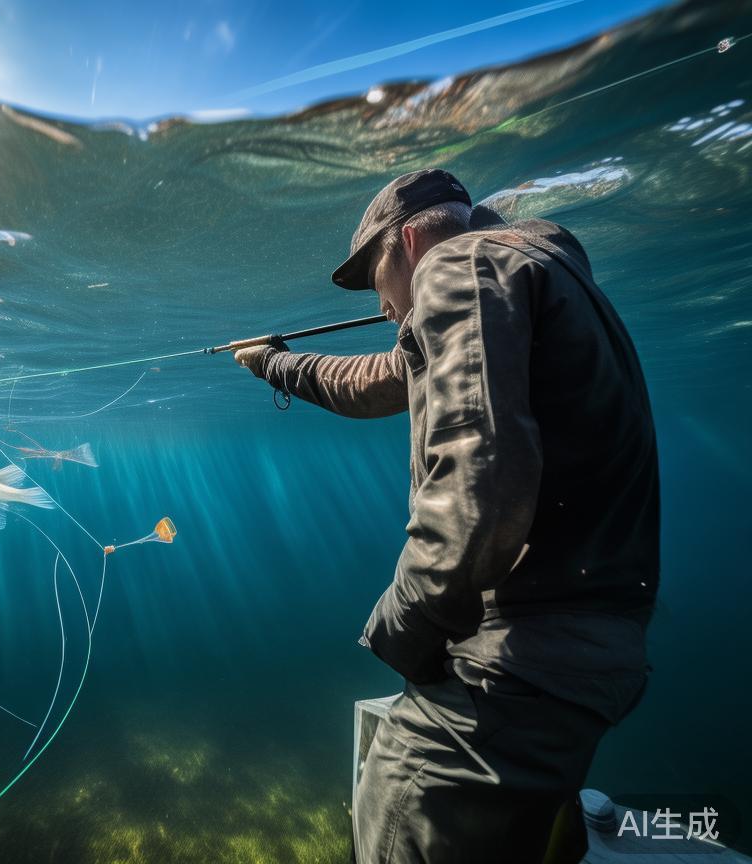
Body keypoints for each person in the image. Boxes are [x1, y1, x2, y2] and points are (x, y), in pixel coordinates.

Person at [234, 169, 659, 864]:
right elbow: (380, 380)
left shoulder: (459, 265)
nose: (379, 303)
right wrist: (276, 366)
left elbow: (479, 483)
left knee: (395, 818)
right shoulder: (528, 273)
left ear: (408, 240)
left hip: (520, 660)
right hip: (597, 652)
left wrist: (405, 627)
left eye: (376, 273)